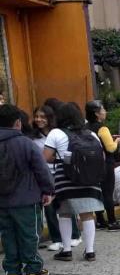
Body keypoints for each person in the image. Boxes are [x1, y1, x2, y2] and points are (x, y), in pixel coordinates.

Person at [43, 102, 105, 261]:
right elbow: (101, 157)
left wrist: (61, 158)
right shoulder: (91, 134)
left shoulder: (56, 133)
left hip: (65, 178)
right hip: (89, 179)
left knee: (64, 213)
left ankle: (67, 250)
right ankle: (90, 251)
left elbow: (46, 157)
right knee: (87, 214)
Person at [0, 104, 55, 275]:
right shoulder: (26, 143)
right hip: (26, 199)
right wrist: (48, 190)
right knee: (30, 234)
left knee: (8, 235)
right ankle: (33, 269)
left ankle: (12, 271)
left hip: (2, 202)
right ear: (18, 123)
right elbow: (41, 170)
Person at [31, 105, 81, 251]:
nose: (39, 120)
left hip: (61, 172)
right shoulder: (33, 137)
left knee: (65, 205)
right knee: (49, 208)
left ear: (50, 118)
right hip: (44, 175)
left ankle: (75, 235)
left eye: (43, 117)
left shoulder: (58, 133)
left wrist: (51, 159)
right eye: (37, 117)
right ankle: (57, 239)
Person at [86, 100, 120, 232]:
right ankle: (112, 221)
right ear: (97, 113)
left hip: (92, 164)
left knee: (98, 192)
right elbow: (110, 148)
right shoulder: (102, 127)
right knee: (108, 192)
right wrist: (117, 141)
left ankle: (100, 220)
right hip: (106, 164)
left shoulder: (86, 127)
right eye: (103, 110)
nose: (105, 112)